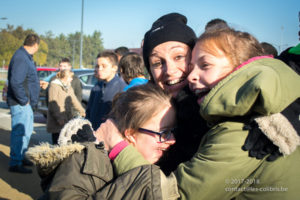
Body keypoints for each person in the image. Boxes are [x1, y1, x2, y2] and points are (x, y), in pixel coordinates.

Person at [100, 28, 300, 200]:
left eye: (205, 65)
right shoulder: (219, 116)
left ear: (240, 67)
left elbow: (175, 195)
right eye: (157, 62)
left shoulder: (243, 128)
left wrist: (118, 147)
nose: (191, 75)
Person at [26, 83, 177, 199]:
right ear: (131, 134)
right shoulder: (83, 163)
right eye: (164, 133)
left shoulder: (161, 164)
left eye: (173, 131)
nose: (173, 140)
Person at [7, 34, 40, 173]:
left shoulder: (25, 56)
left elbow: (25, 79)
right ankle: (15, 162)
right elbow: (15, 82)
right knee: (20, 133)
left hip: (24, 103)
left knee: (25, 132)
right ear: (36, 45)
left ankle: (21, 156)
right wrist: (24, 100)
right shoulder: (21, 57)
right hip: (21, 103)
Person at [85, 51, 127, 130]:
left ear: (114, 68)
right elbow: (89, 111)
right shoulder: (96, 87)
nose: (99, 69)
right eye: (97, 66)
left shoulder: (122, 88)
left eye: (104, 66)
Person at [47, 70, 85, 144]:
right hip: (57, 120)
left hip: (67, 117)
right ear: (65, 77)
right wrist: (59, 118)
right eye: (71, 77)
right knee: (57, 142)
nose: (72, 79)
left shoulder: (68, 86)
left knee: (65, 142)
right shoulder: (54, 86)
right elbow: (52, 103)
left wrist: (82, 111)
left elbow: (74, 100)